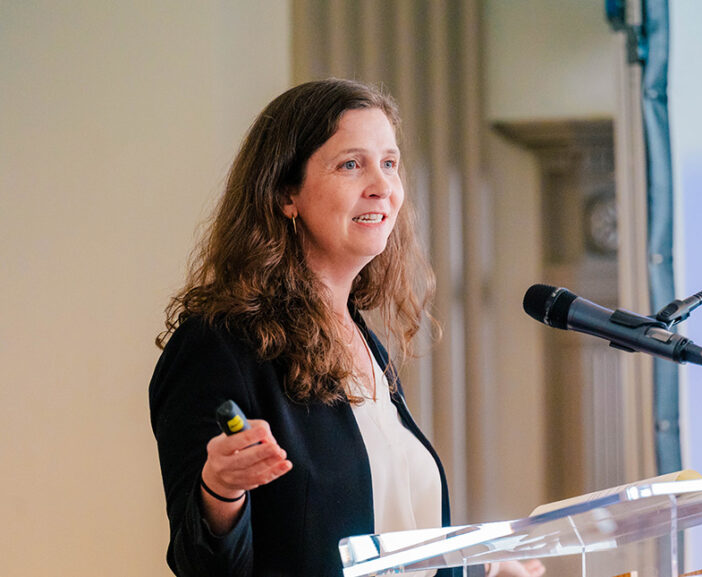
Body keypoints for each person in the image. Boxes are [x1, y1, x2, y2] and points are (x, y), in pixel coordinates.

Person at [149, 78, 544, 577]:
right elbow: (200, 565)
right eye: (351, 164)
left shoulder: (367, 344)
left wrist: (480, 570)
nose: (381, 184)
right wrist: (220, 488)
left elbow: (387, 531)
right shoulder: (219, 344)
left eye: (390, 163)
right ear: (285, 193)